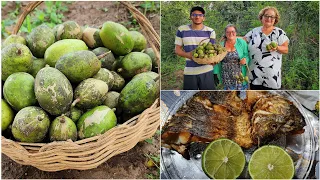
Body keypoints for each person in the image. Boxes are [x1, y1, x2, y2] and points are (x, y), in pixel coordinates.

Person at [244, 6, 289, 90]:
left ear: (275, 19)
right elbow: (243, 40)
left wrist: (277, 47)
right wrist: (230, 37)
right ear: (262, 17)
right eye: (266, 16)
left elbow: (286, 49)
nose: (269, 18)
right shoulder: (254, 31)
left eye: (272, 16)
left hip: (271, 76)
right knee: (255, 99)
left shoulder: (279, 32)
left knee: (271, 99)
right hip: (254, 75)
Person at [175, 6, 216, 90]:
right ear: (190, 17)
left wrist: (214, 61)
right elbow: (177, 50)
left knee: (208, 95)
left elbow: (213, 51)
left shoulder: (210, 31)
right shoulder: (181, 30)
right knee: (188, 97)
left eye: (200, 15)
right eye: (194, 15)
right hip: (190, 71)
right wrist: (190, 56)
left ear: (203, 18)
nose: (197, 17)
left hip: (206, 70)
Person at [214, 24, 250, 90]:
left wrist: (245, 61)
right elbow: (217, 60)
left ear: (236, 32)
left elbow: (247, 55)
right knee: (229, 97)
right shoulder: (221, 45)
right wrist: (215, 73)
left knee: (242, 97)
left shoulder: (241, 42)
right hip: (226, 77)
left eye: (233, 31)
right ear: (225, 33)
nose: (231, 33)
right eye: (228, 32)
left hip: (240, 77)